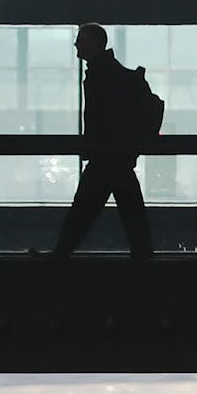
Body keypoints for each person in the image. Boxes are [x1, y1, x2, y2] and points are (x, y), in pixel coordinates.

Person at [44, 23, 153, 260]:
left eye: (80, 40)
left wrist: (96, 144)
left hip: (106, 154)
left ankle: (60, 254)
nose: (76, 44)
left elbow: (103, 117)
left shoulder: (101, 75)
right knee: (127, 209)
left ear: (94, 43)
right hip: (115, 154)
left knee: (85, 209)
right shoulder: (111, 72)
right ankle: (144, 258)